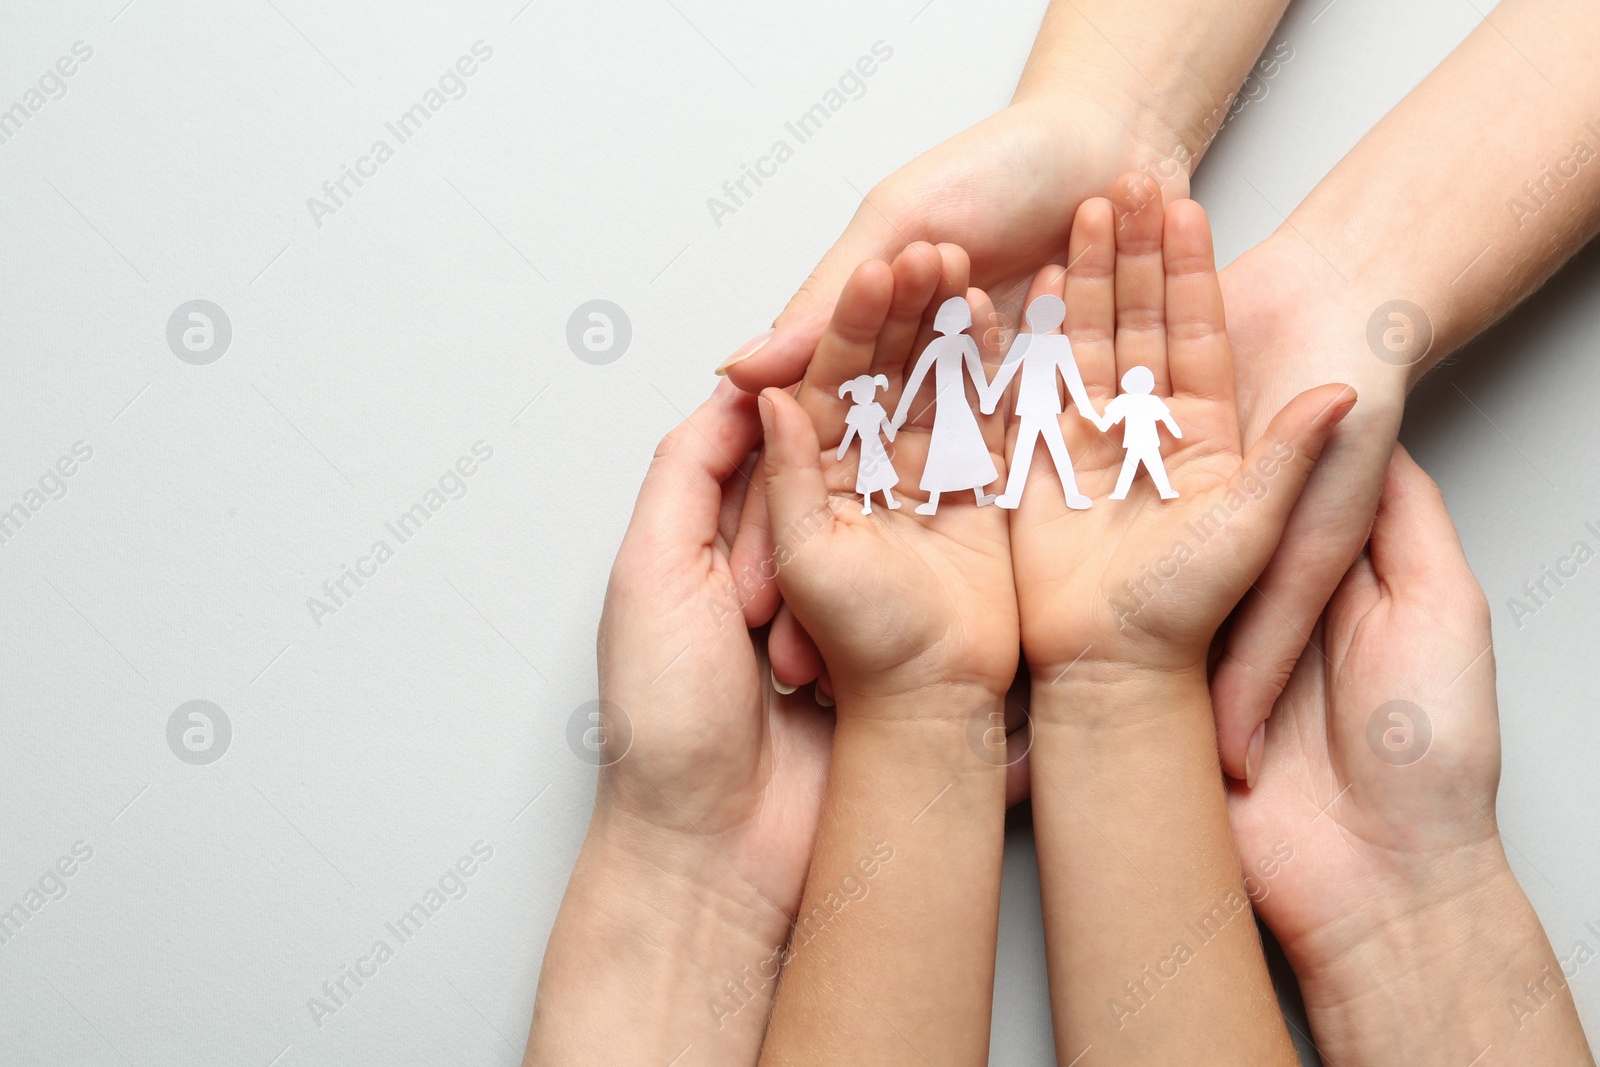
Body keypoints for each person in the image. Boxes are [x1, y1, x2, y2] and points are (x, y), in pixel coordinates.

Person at [980, 294, 1096, 510]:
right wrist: (991, 398)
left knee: (1050, 449)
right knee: (1032, 449)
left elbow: (1071, 375)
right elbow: (1008, 370)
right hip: (1032, 405)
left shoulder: (1058, 342)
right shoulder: (1024, 341)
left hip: (1045, 405)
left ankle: (1070, 495)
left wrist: (1085, 407)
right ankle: (1018, 497)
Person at [888, 296, 998, 514]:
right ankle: (938, 500)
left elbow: (976, 371)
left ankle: (971, 495)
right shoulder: (941, 345)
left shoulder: (958, 343)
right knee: (954, 443)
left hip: (956, 402)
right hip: (949, 403)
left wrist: (986, 397)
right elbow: (916, 378)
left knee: (963, 442)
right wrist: (900, 413)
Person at [1100, 364, 1182, 500]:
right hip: (1148, 441)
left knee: (1131, 466)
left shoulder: (1124, 400)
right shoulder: (1151, 400)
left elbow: (1108, 420)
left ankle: (1120, 493)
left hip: (1135, 441)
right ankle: (1165, 491)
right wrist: (1176, 432)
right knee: (1154, 466)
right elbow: (1166, 419)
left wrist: (1100, 423)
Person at [835, 373, 901, 514]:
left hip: (875, 444)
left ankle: (890, 500)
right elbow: (850, 432)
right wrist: (842, 449)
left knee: (882, 470)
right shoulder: (855, 411)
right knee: (867, 473)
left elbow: (886, 426)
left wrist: (893, 431)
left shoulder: (876, 408)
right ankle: (867, 504)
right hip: (867, 446)